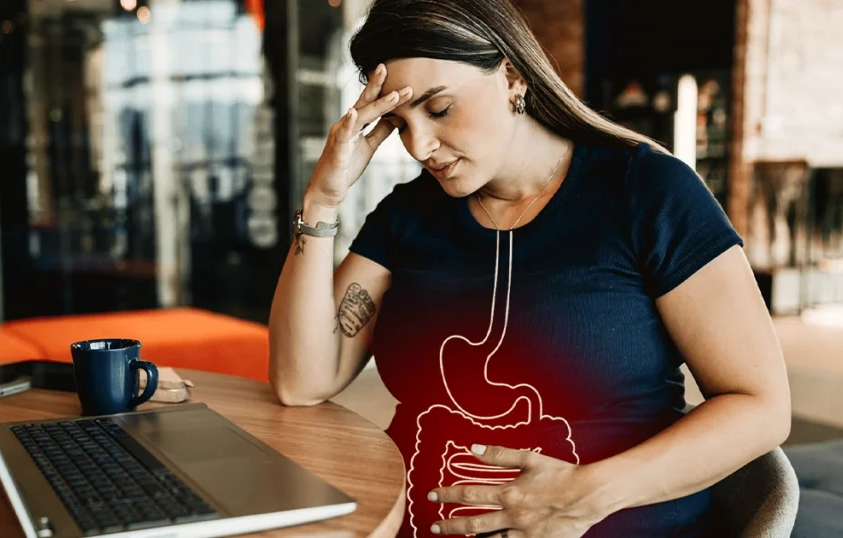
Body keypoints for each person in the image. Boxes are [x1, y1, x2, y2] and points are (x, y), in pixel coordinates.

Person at [267, 0, 792, 536]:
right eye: (399, 123)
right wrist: (322, 201)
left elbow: (761, 407)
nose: (418, 145)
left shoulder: (648, 193)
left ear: (512, 78)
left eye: (440, 109)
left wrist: (586, 496)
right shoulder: (408, 215)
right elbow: (301, 381)